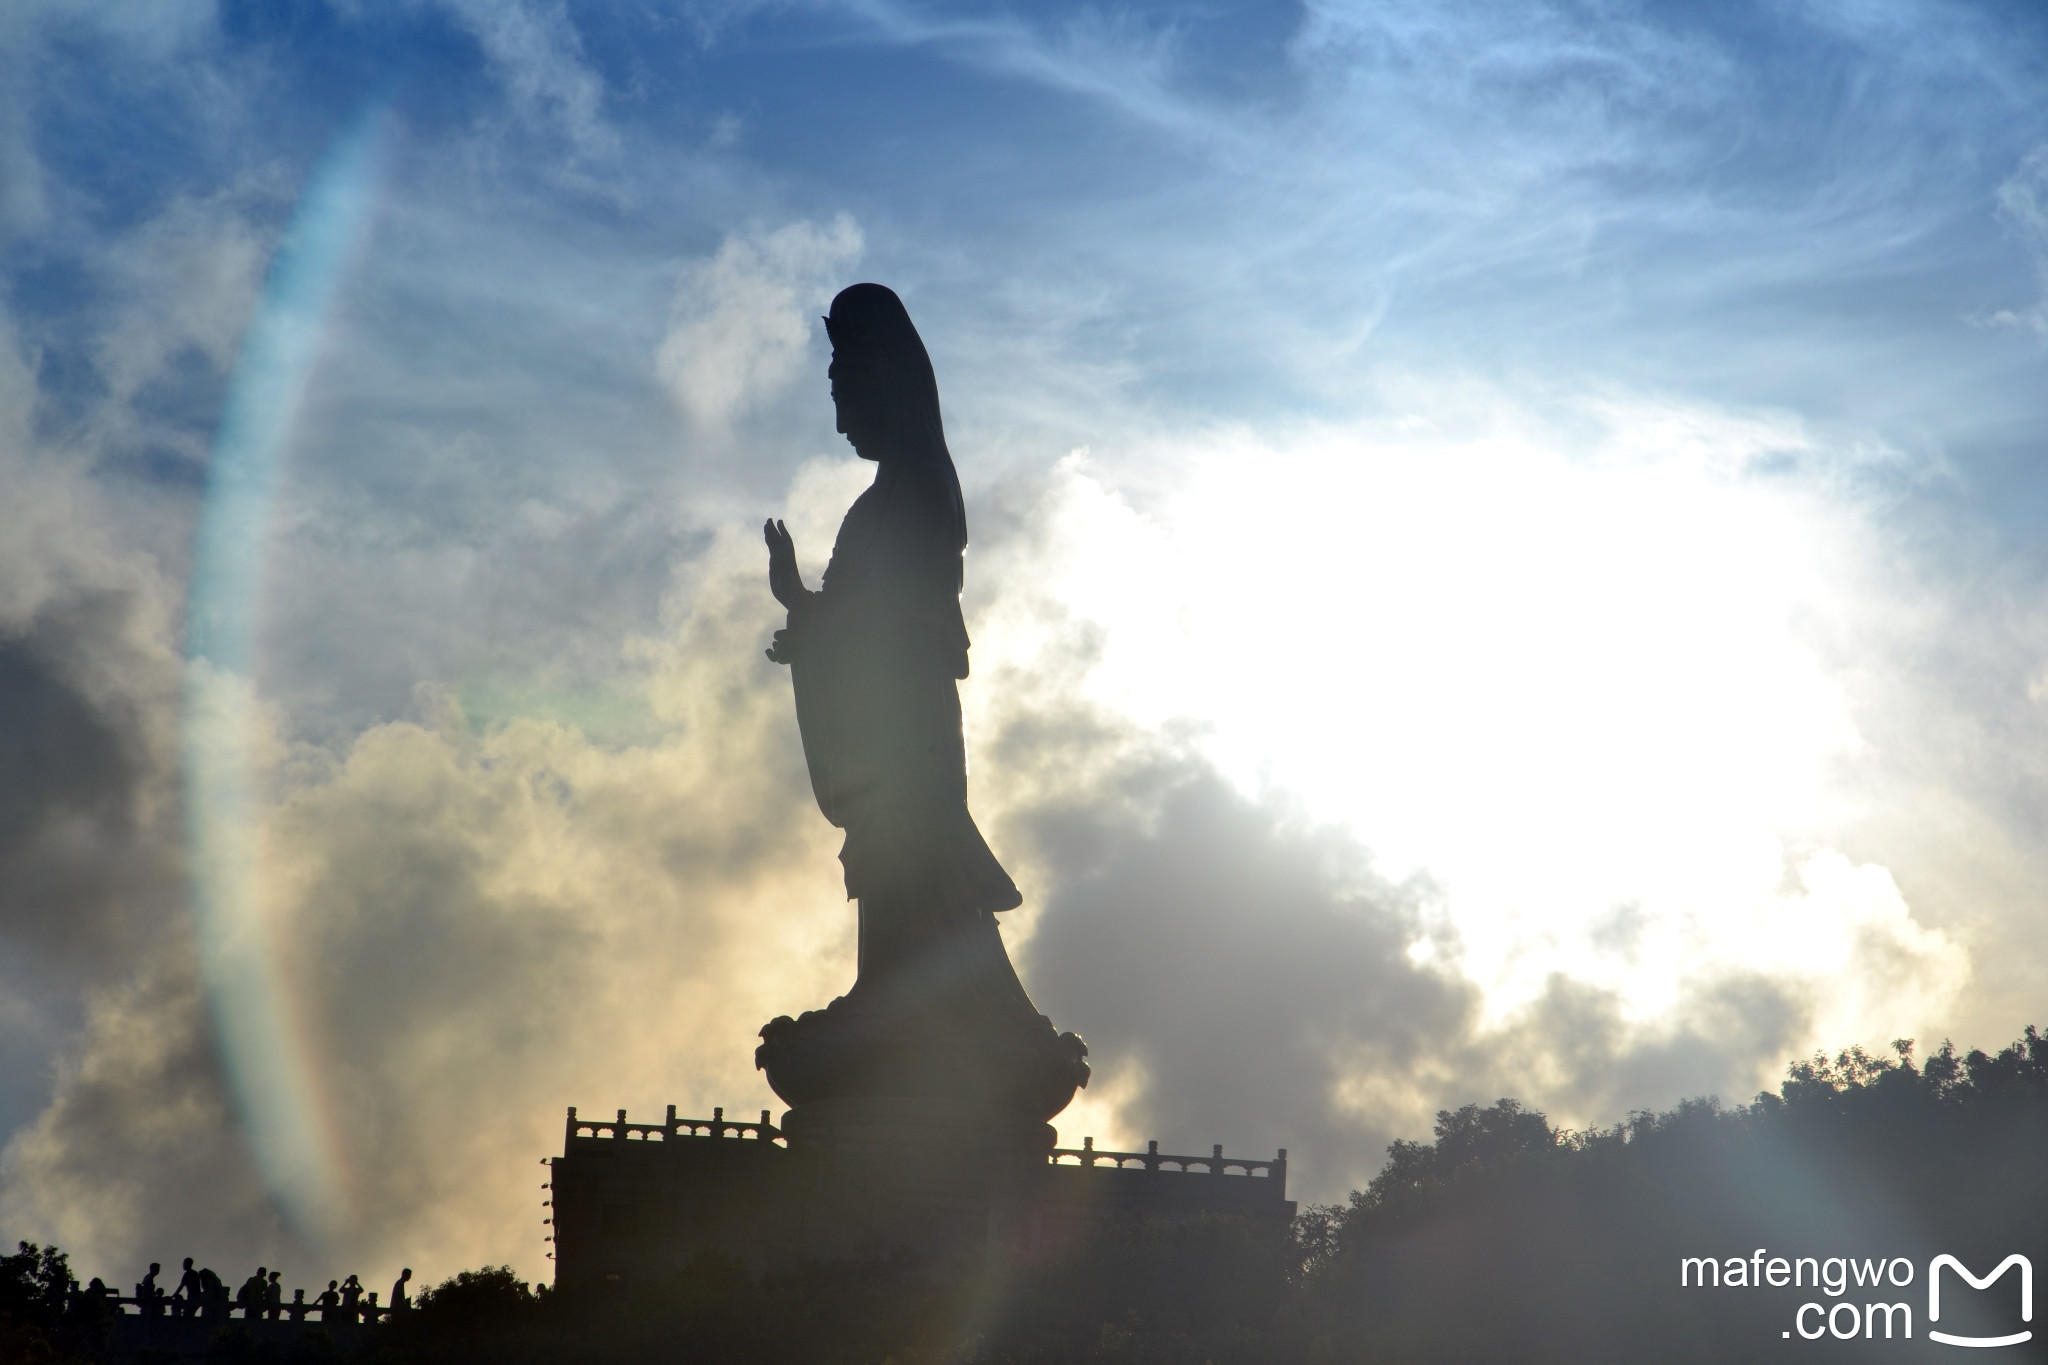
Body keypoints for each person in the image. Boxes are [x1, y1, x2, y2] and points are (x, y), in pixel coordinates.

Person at [763, 284, 1028, 1007]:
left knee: (913, 853)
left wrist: (816, 620)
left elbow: (892, 620)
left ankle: (919, 1001)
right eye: (837, 393)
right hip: (889, 726)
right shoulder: (880, 502)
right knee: (889, 856)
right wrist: (803, 609)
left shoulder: (915, 493)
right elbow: (855, 618)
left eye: (849, 390)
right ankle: (891, 988)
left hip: (909, 723)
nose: (842, 416)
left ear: (889, 386)